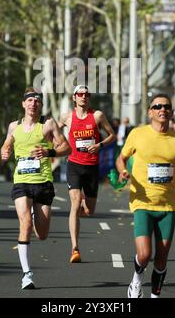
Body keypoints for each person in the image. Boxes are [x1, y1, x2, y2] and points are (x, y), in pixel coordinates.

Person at [116, 93, 175, 298]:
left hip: (168, 206)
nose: (162, 110)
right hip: (142, 202)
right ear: (150, 112)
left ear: (172, 112)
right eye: (157, 106)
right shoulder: (138, 134)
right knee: (144, 254)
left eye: (166, 107)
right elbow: (120, 159)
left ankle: (155, 296)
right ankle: (136, 281)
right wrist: (123, 171)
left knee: (161, 259)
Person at [0, 87, 71, 290]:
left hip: (43, 182)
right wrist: (5, 153)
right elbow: (6, 146)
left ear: (40, 105)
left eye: (37, 101)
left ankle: (33, 214)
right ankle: (27, 274)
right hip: (21, 181)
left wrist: (49, 151)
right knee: (25, 224)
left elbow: (66, 147)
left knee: (42, 234)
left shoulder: (48, 124)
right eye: (30, 100)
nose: (33, 103)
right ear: (23, 104)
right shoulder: (14, 126)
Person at [59, 84, 116, 263]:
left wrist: (99, 145)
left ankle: (83, 204)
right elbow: (52, 132)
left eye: (87, 94)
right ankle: (75, 248)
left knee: (89, 211)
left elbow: (112, 135)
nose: (84, 96)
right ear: (74, 98)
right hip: (74, 165)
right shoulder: (67, 117)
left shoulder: (97, 116)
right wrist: (56, 146)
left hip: (91, 167)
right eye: (80, 94)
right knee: (74, 204)